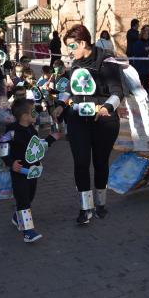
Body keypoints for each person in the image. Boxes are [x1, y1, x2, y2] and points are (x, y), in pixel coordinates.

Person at [51, 24, 124, 225]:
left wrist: (106, 108)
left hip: (103, 121)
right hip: (78, 120)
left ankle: (100, 203)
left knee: (100, 163)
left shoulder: (107, 61)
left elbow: (118, 92)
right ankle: (85, 207)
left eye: (72, 46)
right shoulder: (75, 63)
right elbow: (68, 88)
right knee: (81, 163)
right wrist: (59, 104)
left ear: (83, 42)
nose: (70, 51)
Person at [1, 99, 61, 243]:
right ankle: (28, 231)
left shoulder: (32, 129)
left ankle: (17, 217)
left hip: (32, 172)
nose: (36, 113)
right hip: (19, 172)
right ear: (24, 115)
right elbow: (3, 145)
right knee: (23, 200)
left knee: (29, 197)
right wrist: (10, 162)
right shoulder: (12, 130)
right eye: (33, 111)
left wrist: (51, 139)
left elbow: (36, 147)